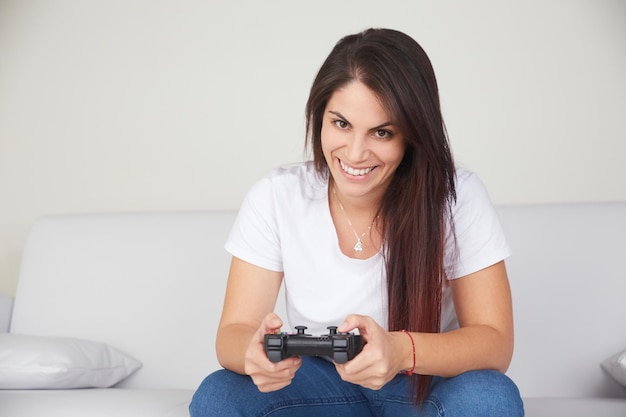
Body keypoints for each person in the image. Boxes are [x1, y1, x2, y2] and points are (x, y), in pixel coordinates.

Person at [189, 28, 524, 417]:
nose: (355, 153)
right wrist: (252, 354)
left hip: (422, 382)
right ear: (320, 117)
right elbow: (234, 331)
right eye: (341, 124)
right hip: (320, 384)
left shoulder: (456, 196)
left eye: (382, 132)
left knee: (489, 398)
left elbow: (495, 343)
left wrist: (401, 351)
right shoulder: (277, 195)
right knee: (218, 395)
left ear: (412, 137)